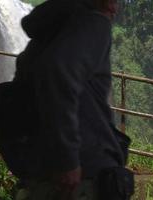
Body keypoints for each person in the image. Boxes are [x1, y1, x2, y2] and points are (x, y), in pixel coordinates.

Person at [10, 0, 133, 199]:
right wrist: (66, 160)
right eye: (109, 0)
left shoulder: (51, 30)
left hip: (40, 168)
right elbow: (58, 72)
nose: (113, 8)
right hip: (81, 175)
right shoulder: (92, 22)